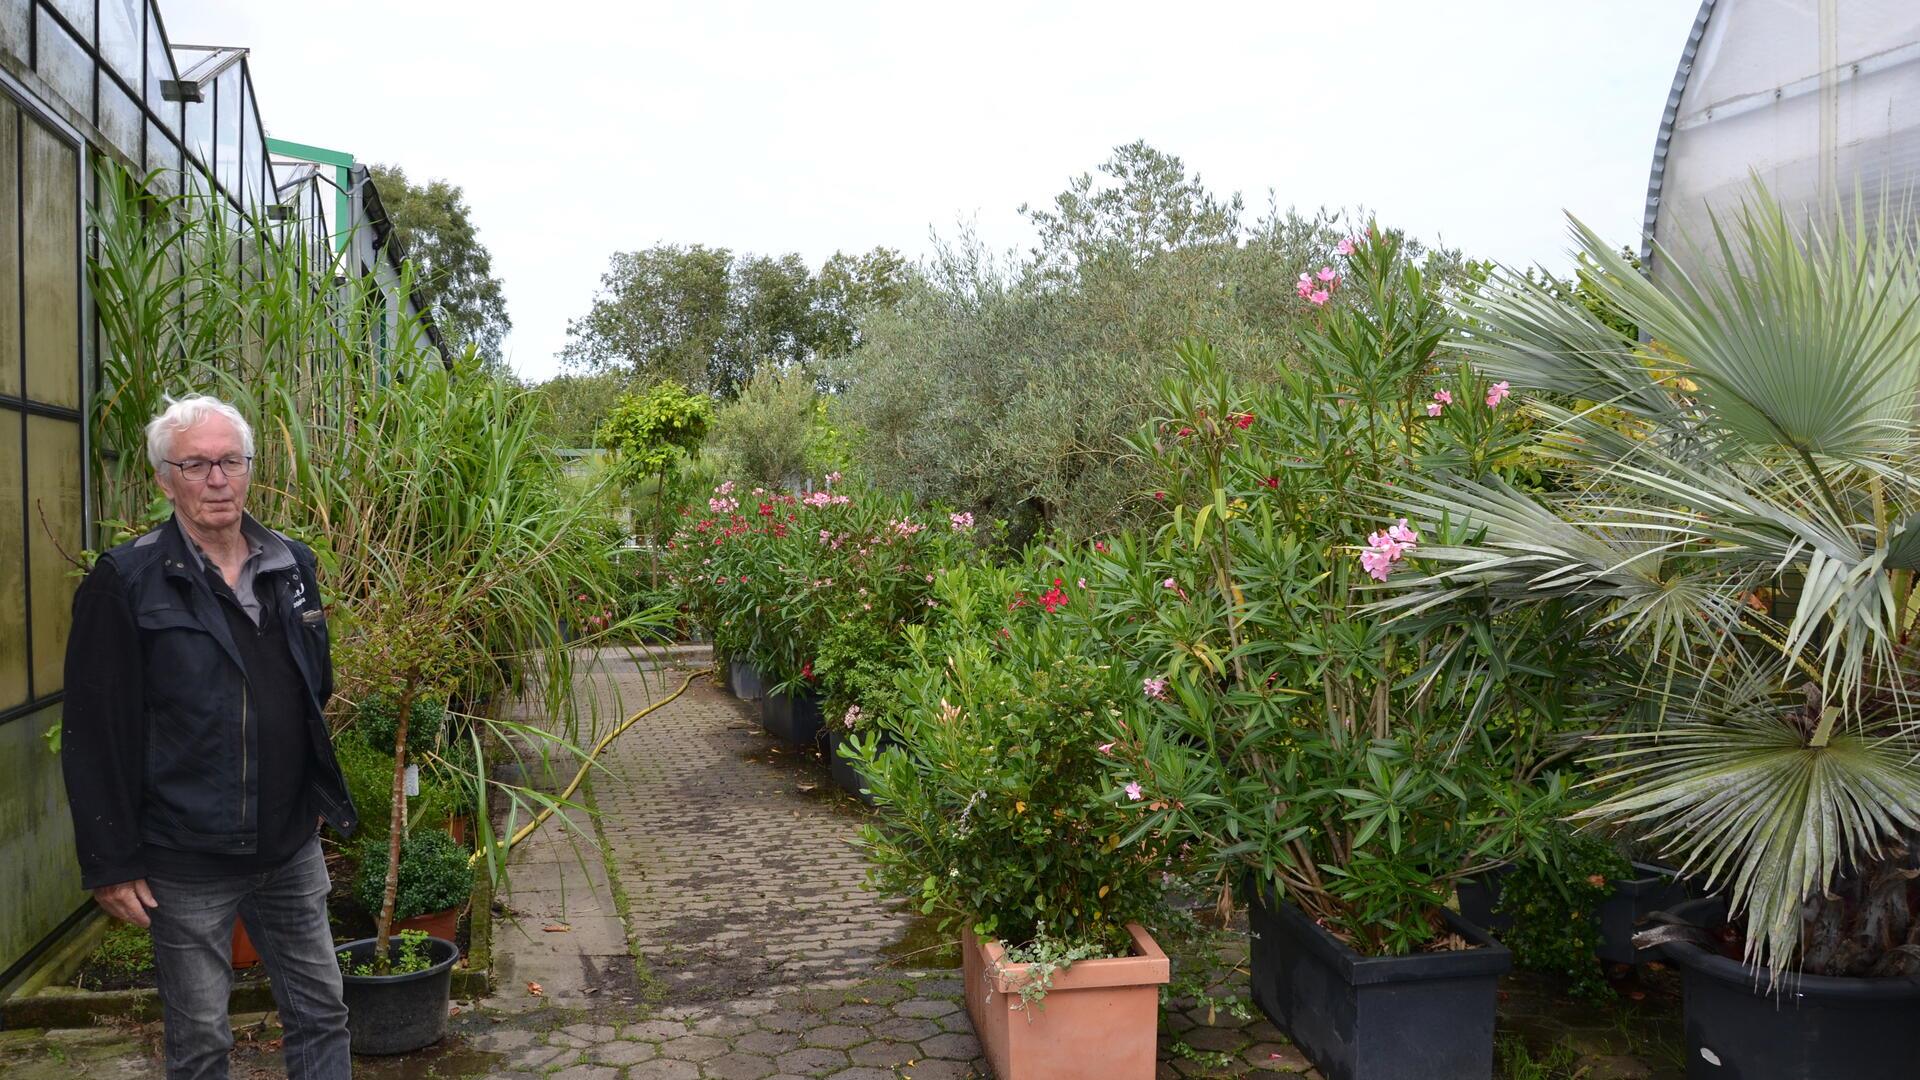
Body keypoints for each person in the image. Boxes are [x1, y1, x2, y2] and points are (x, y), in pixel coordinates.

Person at [62, 394, 358, 1080]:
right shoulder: (126, 581)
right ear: (166, 479)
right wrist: (110, 859)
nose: (217, 479)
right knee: (201, 1044)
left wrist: (310, 790)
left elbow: (316, 685)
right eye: (196, 464)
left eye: (230, 460)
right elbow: (94, 730)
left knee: (322, 1014)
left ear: (251, 468)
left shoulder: (292, 565)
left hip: (289, 843)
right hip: (184, 856)